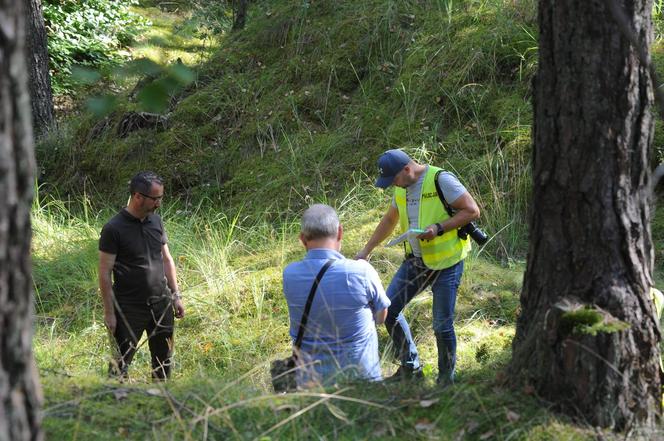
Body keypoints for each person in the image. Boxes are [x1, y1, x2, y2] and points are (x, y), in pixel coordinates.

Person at [356, 149, 480, 385]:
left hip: (447, 262)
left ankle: (446, 381)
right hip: (416, 261)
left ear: (407, 169)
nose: (394, 185)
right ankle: (411, 369)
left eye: (394, 180)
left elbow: (472, 211)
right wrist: (366, 250)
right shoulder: (401, 189)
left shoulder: (441, 179)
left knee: (442, 325)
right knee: (389, 310)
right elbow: (389, 220)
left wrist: (439, 228)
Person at [282, 204, 391, 386]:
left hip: (311, 384)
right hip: (361, 381)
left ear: (302, 239)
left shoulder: (290, 273)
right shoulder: (361, 271)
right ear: (340, 232)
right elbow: (382, 317)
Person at [98, 171, 185, 380]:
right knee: (119, 365)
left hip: (161, 304)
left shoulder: (156, 222)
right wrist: (109, 313)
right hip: (128, 308)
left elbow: (166, 259)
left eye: (161, 198)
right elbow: (104, 272)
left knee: (163, 362)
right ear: (138, 196)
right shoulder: (113, 229)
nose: (159, 203)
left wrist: (176, 296)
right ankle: (116, 403)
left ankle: (162, 402)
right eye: (155, 198)